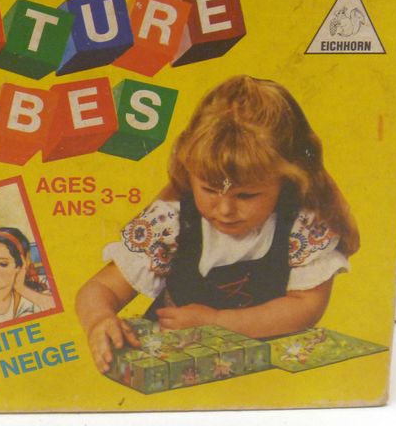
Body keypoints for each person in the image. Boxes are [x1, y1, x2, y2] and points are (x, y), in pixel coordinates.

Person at [75, 76, 359, 372]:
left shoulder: (303, 227)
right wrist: (99, 320)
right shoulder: (170, 222)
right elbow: (100, 287)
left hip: (261, 375)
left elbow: (306, 306)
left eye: (246, 195)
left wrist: (217, 323)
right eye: (210, 190)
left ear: (287, 180)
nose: (225, 210)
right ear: (189, 172)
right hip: (174, 369)